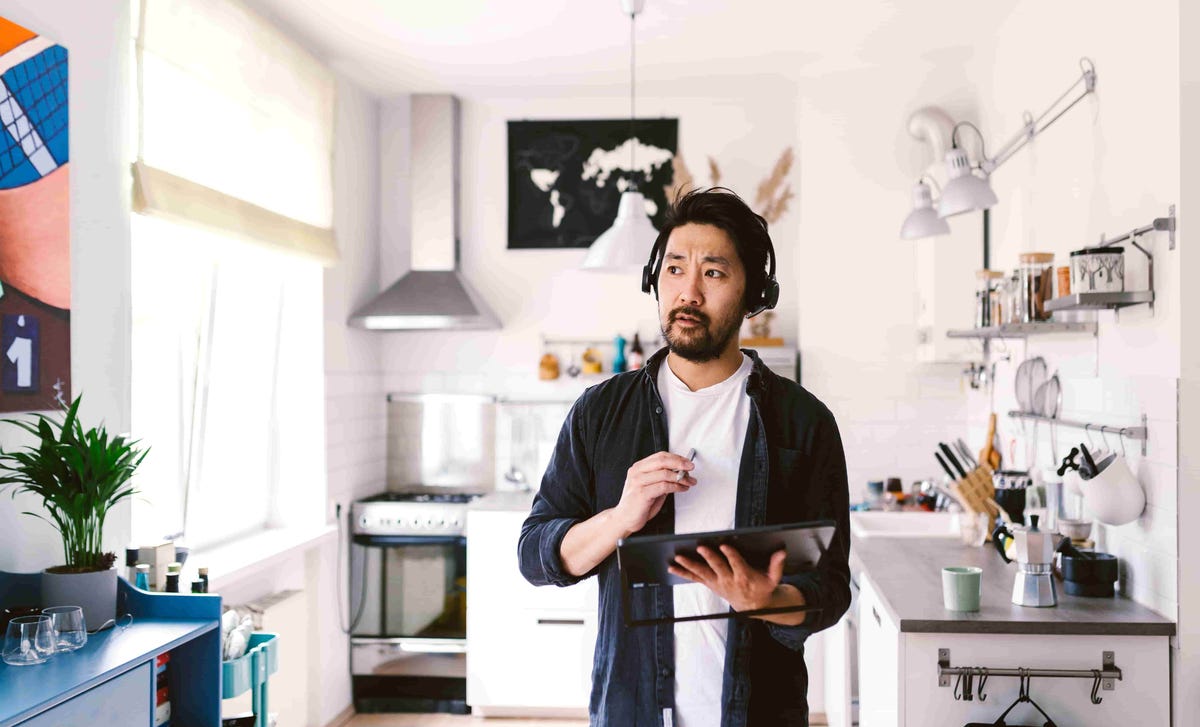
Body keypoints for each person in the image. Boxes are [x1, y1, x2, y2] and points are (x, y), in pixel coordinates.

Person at [519, 187, 850, 727]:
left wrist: (767, 598)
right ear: (655, 280)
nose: (688, 291)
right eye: (674, 270)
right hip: (631, 712)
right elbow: (536, 554)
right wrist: (621, 518)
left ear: (752, 294)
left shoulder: (803, 423)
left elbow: (831, 588)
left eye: (714, 273)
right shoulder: (600, 413)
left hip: (761, 712)